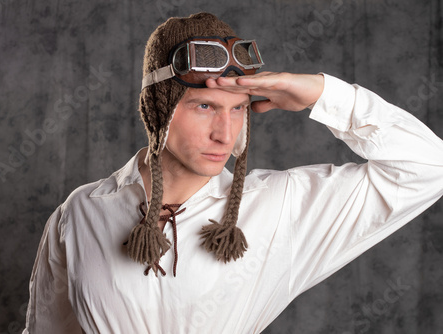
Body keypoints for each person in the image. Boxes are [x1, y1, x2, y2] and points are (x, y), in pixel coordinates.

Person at [22, 12, 443, 334]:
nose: (226, 133)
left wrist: (319, 92)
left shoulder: (282, 208)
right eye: (205, 106)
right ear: (159, 110)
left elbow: (427, 168)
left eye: (238, 108)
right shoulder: (79, 212)